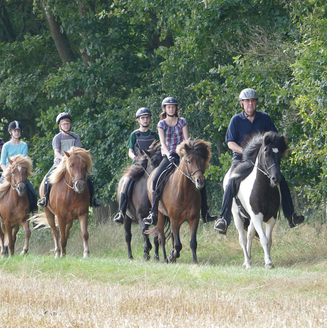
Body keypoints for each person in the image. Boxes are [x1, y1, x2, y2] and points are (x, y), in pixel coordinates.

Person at [213, 88, 305, 234]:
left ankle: (291, 215)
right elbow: (230, 143)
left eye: (253, 101)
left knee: (282, 180)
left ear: (256, 103)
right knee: (231, 181)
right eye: (247, 101)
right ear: (241, 104)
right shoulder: (236, 120)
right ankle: (223, 219)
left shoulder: (265, 118)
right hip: (241, 159)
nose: (250, 104)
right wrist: (245, 151)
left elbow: (275, 138)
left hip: (262, 161)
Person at [142, 97, 216, 226]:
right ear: (164, 109)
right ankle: (153, 213)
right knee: (155, 179)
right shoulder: (161, 124)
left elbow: (187, 140)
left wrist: (182, 152)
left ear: (176, 108)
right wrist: (169, 154)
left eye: (173, 106)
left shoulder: (182, 121)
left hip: (183, 156)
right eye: (168, 107)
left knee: (200, 179)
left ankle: (205, 211)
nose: (171, 109)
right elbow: (163, 143)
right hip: (168, 157)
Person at [37, 112, 101, 208]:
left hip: (74, 164)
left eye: (68, 123)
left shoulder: (75, 136)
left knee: (90, 179)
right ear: (59, 125)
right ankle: (45, 198)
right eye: (64, 124)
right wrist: (65, 159)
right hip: (60, 163)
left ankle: (92, 199)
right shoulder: (57, 138)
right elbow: (56, 153)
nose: (66, 125)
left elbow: (79, 151)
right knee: (48, 178)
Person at [0, 121, 39, 226]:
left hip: (20, 174)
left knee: (33, 193)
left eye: (18, 131)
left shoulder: (24, 145)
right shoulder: (6, 146)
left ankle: (35, 218)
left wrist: (18, 172)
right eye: (15, 131)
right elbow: (2, 162)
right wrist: (8, 172)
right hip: (7, 173)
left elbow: (24, 161)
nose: (17, 133)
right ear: (10, 132)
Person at [113, 107, 158, 224]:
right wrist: (136, 158)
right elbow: (130, 151)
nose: (145, 120)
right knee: (126, 181)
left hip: (152, 164)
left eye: (147, 118)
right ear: (138, 120)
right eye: (143, 118)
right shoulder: (134, 134)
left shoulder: (154, 133)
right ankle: (122, 212)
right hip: (138, 164)